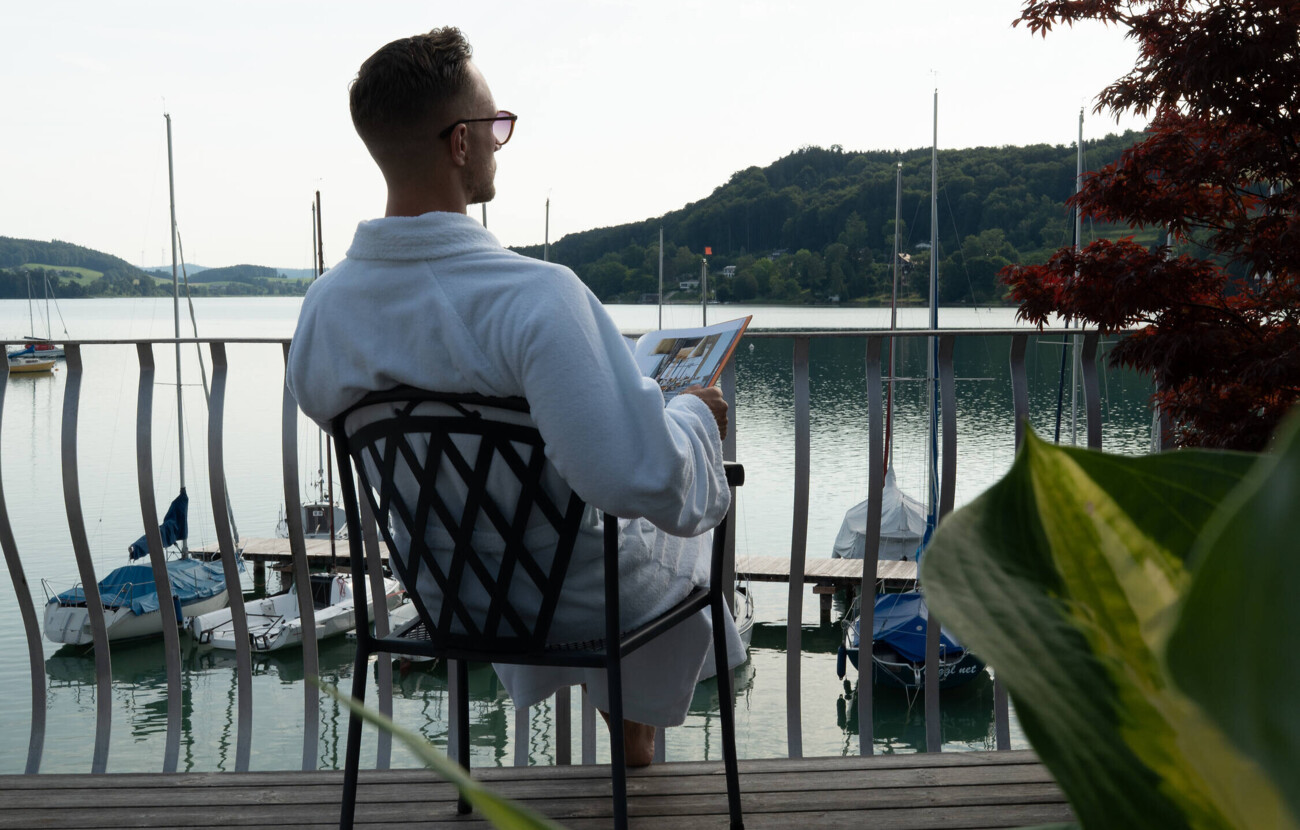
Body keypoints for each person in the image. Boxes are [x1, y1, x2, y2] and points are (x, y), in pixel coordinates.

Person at [285, 27, 742, 767]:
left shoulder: (326, 311)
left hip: (443, 592)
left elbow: (330, 409)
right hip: (574, 599)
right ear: (460, 143)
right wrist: (695, 415)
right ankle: (637, 748)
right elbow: (636, 478)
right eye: (496, 125)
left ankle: (629, 742)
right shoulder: (538, 298)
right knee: (682, 514)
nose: (501, 141)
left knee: (608, 501)